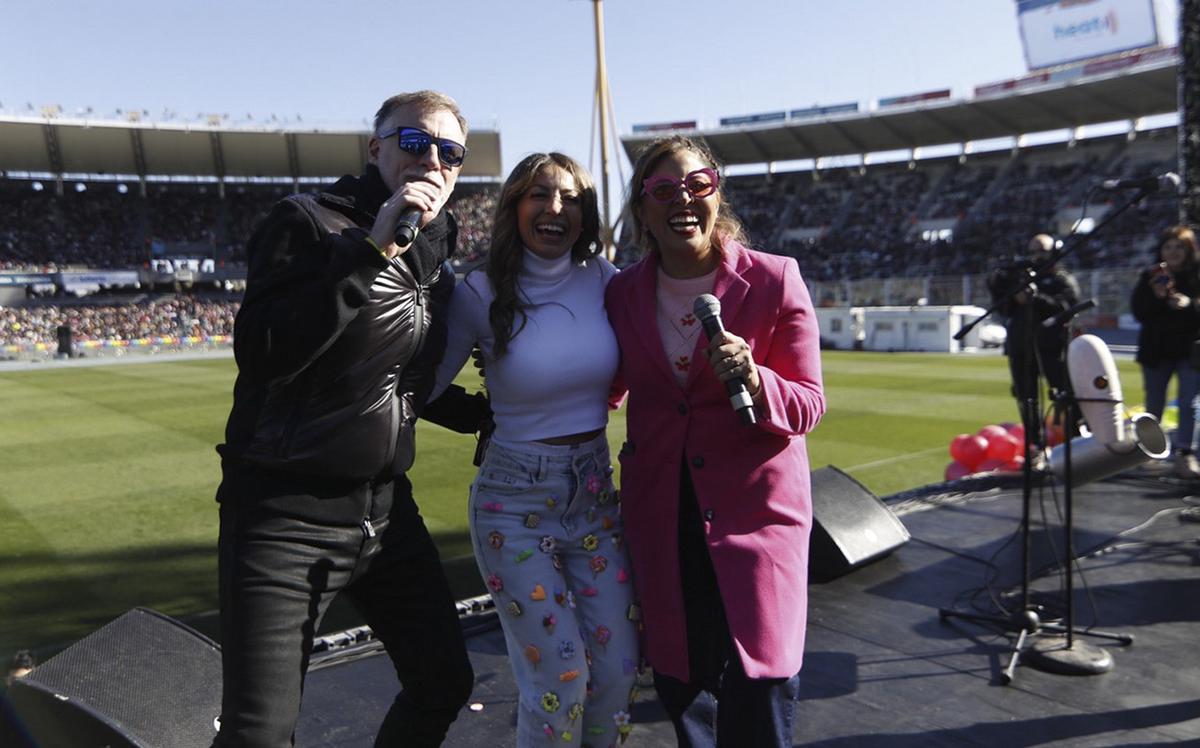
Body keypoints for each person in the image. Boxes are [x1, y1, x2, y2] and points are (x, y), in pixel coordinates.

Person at [212, 90, 489, 747]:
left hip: (387, 513)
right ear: (376, 149)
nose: (433, 161)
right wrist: (371, 249)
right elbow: (265, 354)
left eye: (449, 152)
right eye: (415, 143)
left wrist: (483, 414)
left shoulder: (436, 250)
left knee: (444, 681)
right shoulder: (306, 222)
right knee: (259, 732)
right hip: (284, 513)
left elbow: (392, 380)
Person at [605, 135, 825, 747]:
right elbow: (603, 383)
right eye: (664, 190)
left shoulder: (776, 279)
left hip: (756, 518)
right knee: (682, 684)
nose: (684, 200)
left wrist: (758, 378)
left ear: (716, 193)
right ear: (643, 208)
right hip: (661, 515)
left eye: (698, 185)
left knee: (761, 689)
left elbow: (808, 405)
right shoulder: (622, 293)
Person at [429, 153, 638, 746]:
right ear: (514, 207)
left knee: (620, 675)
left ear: (586, 213)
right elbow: (423, 385)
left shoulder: (604, 278)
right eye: (539, 195)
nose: (555, 208)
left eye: (570, 198)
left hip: (594, 497)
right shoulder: (479, 291)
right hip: (514, 506)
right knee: (562, 680)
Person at [987, 233, 1082, 459]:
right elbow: (1001, 305)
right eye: (1032, 252)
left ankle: (1076, 440)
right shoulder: (1019, 279)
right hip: (1020, 346)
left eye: (1042, 251)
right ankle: (1035, 446)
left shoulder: (1062, 279)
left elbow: (1067, 306)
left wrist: (1035, 298)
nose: (1036, 257)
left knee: (1065, 395)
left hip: (1053, 346)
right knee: (1026, 398)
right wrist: (1011, 292)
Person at [1131, 225, 1200, 479]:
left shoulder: (1196, 276)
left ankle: (1185, 453)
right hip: (1156, 352)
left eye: (1179, 246)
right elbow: (1139, 311)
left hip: (1189, 352)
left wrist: (1189, 305)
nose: (1173, 252)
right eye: (1168, 246)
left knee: (1188, 404)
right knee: (1154, 404)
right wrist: (1159, 297)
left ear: (1189, 249)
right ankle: (1151, 452)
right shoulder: (1150, 276)